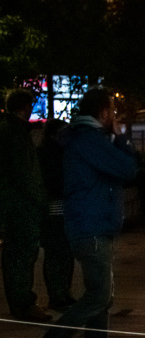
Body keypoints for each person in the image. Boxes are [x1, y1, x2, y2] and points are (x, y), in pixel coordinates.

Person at [27, 88, 137, 338]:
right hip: (92, 228)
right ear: (103, 111)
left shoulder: (83, 138)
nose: (114, 116)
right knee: (98, 295)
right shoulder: (89, 139)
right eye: (112, 110)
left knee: (102, 295)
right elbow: (128, 168)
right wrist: (121, 138)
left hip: (91, 226)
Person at [0, 88, 51, 321]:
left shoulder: (8, 130)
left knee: (16, 255)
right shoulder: (16, 134)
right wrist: (39, 199)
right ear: (25, 108)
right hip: (21, 206)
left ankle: (21, 303)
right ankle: (24, 303)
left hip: (13, 204)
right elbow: (25, 173)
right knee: (22, 254)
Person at [37, 118, 76, 311]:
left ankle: (60, 294)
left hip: (55, 209)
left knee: (58, 254)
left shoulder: (46, 152)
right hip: (58, 209)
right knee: (60, 253)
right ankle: (59, 294)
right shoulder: (57, 153)